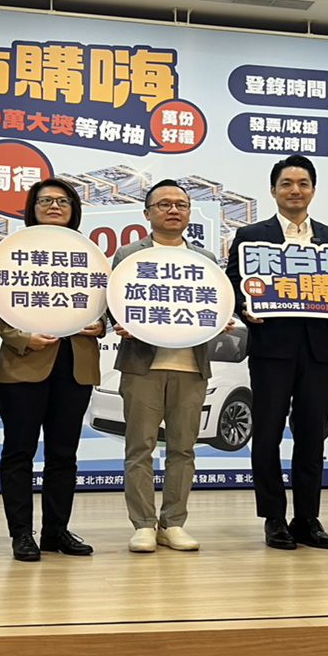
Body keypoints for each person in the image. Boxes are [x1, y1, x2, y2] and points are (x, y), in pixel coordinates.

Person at [225, 154, 328, 550]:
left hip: (319, 350)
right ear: (273, 190)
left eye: (303, 183)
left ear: (313, 190)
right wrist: (244, 308)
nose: (295, 190)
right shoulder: (251, 235)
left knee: (312, 434)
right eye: (287, 184)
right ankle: (274, 518)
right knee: (267, 434)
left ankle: (308, 518)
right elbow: (233, 285)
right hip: (271, 347)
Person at [0, 178, 104, 562]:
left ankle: (56, 531)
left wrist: (101, 324)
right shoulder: (14, 251)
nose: (54, 206)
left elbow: (107, 301)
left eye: (62, 201)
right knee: (19, 451)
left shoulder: (90, 254)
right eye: (45, 201)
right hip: (23, 364)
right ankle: (21, 533)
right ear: (32, 209)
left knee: (64, 454)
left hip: (75, 364)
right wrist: (22, 337)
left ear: (74, 209)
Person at [112, 180, 226, 553]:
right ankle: (143, 524)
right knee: (139, 448)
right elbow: (115, 301)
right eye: (164, 204)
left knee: (183, 449)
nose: (173, 210)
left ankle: (173, 522)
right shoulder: (129, 254)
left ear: (190, 213)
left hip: (191, 366)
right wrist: (120, 322)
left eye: (181, 204)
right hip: (142, 365)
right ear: (147, 213)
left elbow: (216, 303)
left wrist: (220, 319)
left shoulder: (205, 259)